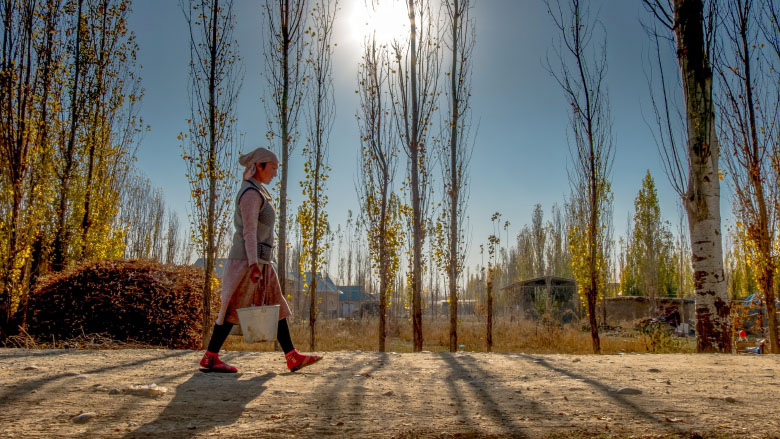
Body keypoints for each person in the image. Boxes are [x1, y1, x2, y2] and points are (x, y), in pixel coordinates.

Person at [199, 147, 322, 373]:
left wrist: (261, 262)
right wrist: (254, 263)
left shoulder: (260, 192)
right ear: (259, 166)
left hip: (262, 261)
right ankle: (210, 357)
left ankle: (291, 356)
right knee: (233, 307)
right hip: (247, 261)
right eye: (273, 167)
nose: (275, 172)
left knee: (275, 304)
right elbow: (249, 231)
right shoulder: (250, 194)